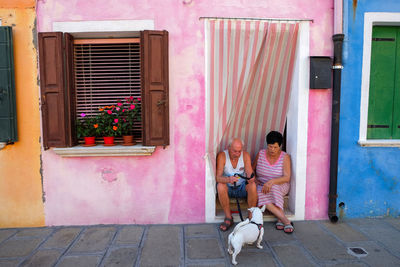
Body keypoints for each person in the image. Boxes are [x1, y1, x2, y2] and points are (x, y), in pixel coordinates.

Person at [253, 131, 294, 233]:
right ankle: (284, 220)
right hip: (262, 185)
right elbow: (251, 170)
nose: (272, 150)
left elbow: (287, 177)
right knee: (258, 191)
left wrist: (272, 182)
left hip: (280, 184)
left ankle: (281, 219)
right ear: (267, 145)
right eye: (270, 146)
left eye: (275, 147)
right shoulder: (261, 154)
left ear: (280, 146)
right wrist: (254, 179)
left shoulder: (285, 157)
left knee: (274, 187)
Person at [216, 138, 257, 231]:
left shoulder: (245, 155)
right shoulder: (222, 156)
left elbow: (250, 173)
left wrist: (251, 177)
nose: (237, 154)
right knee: (220, 185)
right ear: (229, 148)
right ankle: (228, 217)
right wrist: (228, 179)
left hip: (241, 188)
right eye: (234, 151)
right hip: (228, 188)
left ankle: (250, 218)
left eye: (239, 151)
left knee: (253, 186)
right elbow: (217, 178)